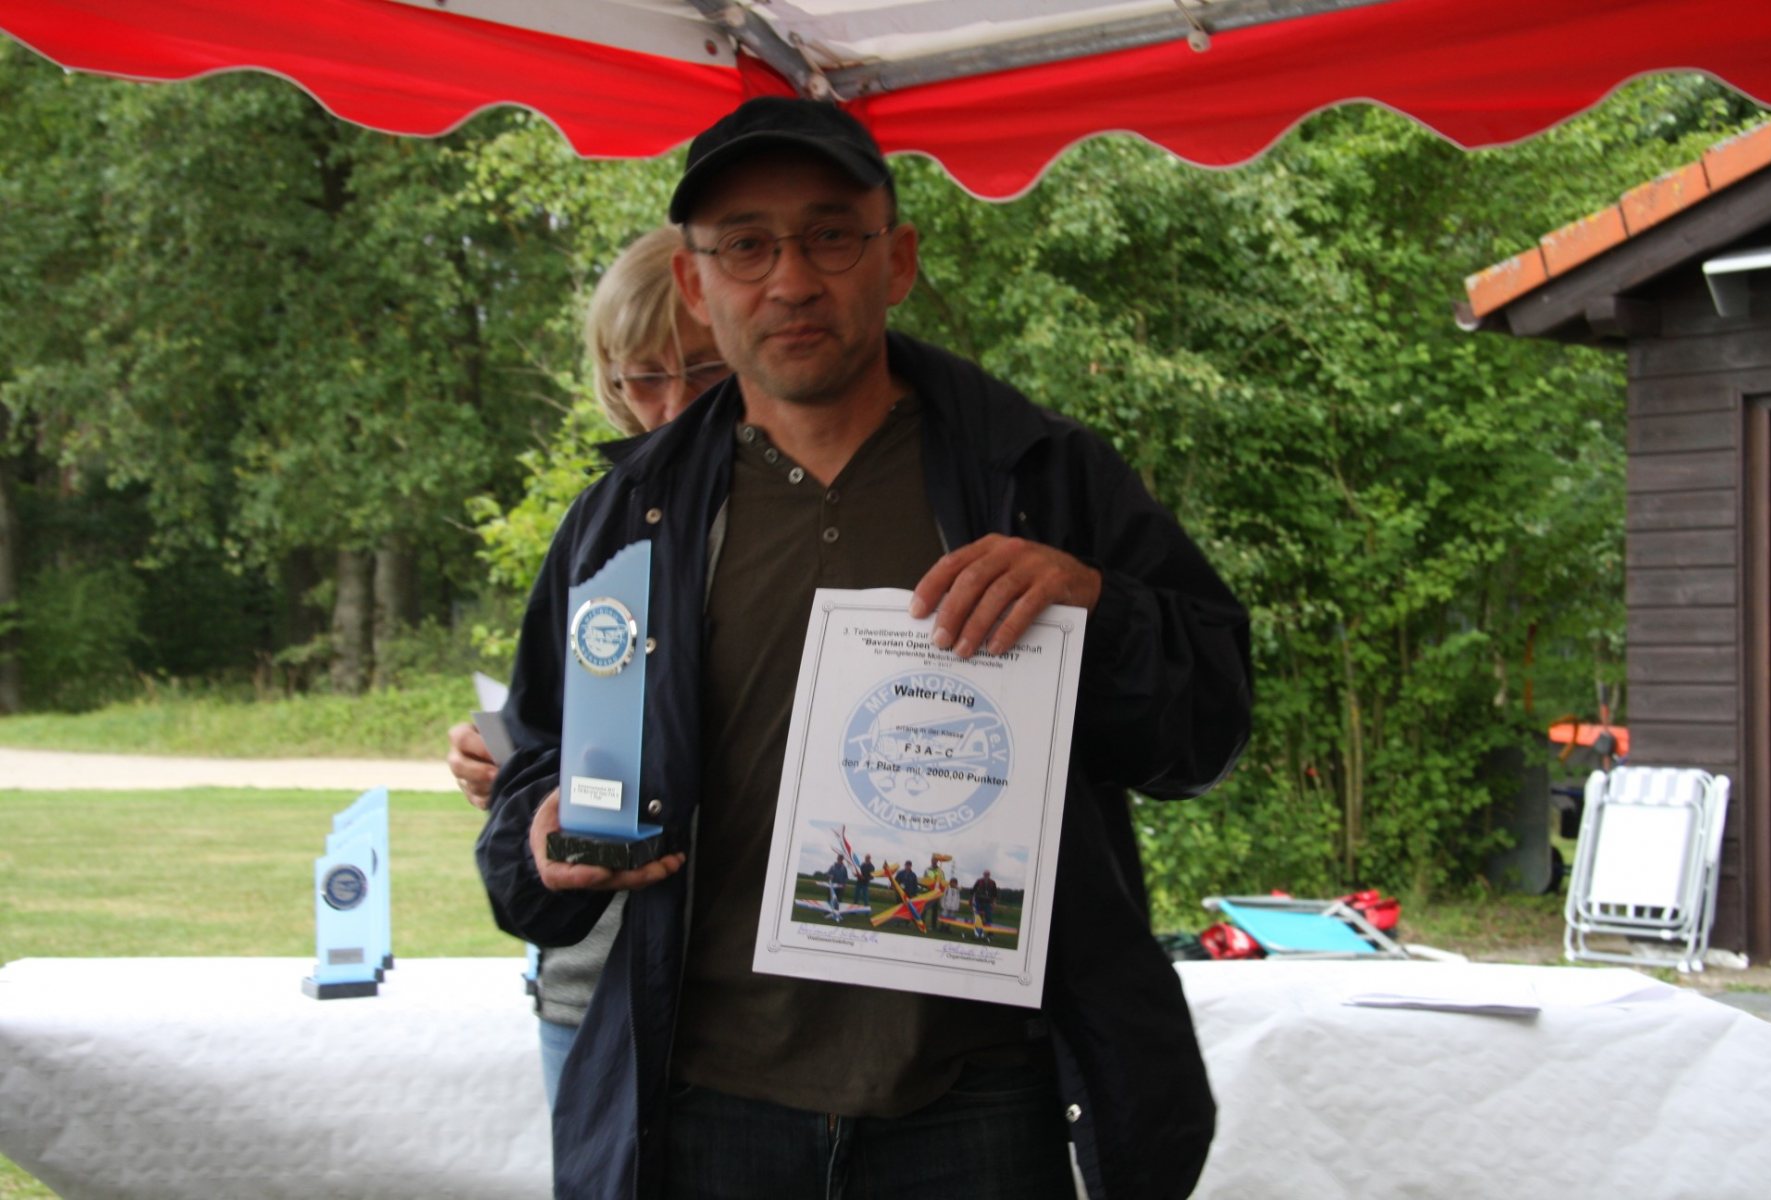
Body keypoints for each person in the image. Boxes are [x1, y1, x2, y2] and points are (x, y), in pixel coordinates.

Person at [476, 97, 1252, 1200]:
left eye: (830, 236)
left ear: (898, 260)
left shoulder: (1043, 478)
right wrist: (542, 837)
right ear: (696, 283)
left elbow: (1209, 728)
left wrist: (1101, 607)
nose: (791, 280)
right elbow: (537, 764)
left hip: (982, 1103)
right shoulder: (627, 519)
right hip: (705, 1108)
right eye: (747, 245)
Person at [449, 224, 726, 1108]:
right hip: (590, 982)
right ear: (610, 381)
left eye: (705, 371)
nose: (674, 405)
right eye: (644, 377)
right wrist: (514, 770)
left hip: (751, 1007)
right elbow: (548, 734)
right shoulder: (598, 523)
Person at [970, 869, 999, 939]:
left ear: (989, 875)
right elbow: (973, 891)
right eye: (985, 874)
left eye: (987, 874)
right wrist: (971, 901)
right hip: (978, 902)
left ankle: (990, 933)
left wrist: (994, 903)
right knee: (978, 918)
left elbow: (995, 894)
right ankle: (978, 932)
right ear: (983, 875)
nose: (986, 875)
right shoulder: (979, 881)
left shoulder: (993, 883)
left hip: (988, 903)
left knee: (989, 918)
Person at [920, 858, 946, 931]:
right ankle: (921, 923)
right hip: (928, 892)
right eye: (933, 860)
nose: (934, 862)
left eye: (935, 861)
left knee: (935, 910)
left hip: (936, 893)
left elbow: (943, 882)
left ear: (937, 861)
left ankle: (933, 926)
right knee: (924, 908)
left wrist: (940, 891)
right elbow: (924, 880)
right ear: (931, 861)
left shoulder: (940, 871)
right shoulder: (927, 870)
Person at [824, 853, 851, 920]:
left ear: (842, 859)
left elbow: (846, 877)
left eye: (841, 858)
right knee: (830, 899)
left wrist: (844, 884)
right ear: (837, 858)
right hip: (832, 887)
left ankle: (838, 912)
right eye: (839, 858)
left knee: (839, 900)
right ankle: (827, 912)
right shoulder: (832, 866)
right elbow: (827, 874)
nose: (840, 859)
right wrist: (830, 876)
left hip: (840, 887)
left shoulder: (844, 868)